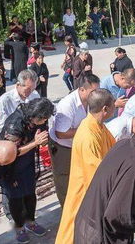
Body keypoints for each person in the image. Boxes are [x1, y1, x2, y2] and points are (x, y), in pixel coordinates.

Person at [56, 89, 116, 244]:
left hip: (94, 187)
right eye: (113, 106)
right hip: (86, 192)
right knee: (76, 232)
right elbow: (96, 174)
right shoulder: (88, 135)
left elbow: (113, 149)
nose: (115, 109)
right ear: (105, 109)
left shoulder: (97, 125)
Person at [0, 98, 54, 243]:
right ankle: (19, 228)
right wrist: (36, 142)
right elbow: (11, 152)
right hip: (10, 165)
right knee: (16, 198)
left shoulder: (38, 118)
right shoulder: (15, 123)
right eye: (44, 119)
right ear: (36, 116)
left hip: (27, 162)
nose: (45, 121)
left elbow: (42, 133)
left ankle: (31, 222)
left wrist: (43, 140)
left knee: (30, 194)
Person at [49, 74, 100, 206]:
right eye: (92, 92)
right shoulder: (67, 105)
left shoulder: (90, 102)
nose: (95, 95)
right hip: (63, 147)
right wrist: (85, 131)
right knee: (64, 180)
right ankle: (67, 210)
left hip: (78, 144)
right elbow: (60, 133)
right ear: (82, 89)